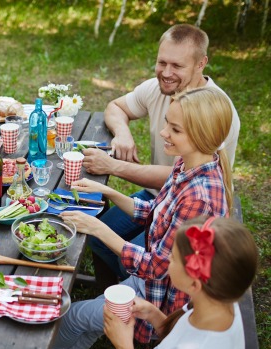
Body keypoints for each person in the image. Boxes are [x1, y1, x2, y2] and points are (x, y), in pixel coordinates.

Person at [41, 87, 233, 349]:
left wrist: (98, 229)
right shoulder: (188, 163)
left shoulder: (201, 198)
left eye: (174, 128)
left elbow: (158, 267)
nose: (162, 132)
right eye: (167, 123)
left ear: (200, 135)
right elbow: (156, 211)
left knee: (77, 315)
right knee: (99, 318)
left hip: (164, 295)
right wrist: (108, 191)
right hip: (150, 281)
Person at [82, 24, 240, 288]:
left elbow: (186, 178)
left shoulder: (215, 111)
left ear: (201, 63)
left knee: (129, 260)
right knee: (98, 239)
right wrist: (122, 133)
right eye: (161, 62)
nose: (166, 73)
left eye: (177, 66)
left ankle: (137, 296)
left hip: (190, 209)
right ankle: (114, 291)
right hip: (158, 197)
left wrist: (113, 166)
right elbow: (116, 106)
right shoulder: (159, 88)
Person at [47, 216, 258, 349]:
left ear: (194, 284)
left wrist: (124, 347)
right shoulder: (220, 304)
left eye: (173, 258)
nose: (167, 259)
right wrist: (153, 314)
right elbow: (180, 333)